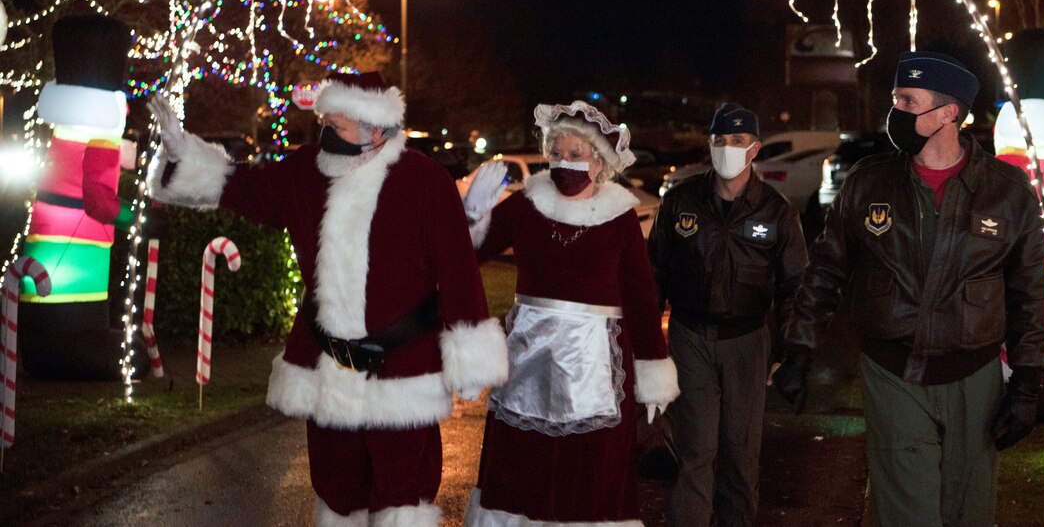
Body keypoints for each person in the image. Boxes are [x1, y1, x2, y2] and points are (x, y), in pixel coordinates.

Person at [148, 71, 508, 526]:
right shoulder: (306, 171)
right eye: (324, 123)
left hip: (403, 373)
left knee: (403, 498)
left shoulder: (423, 180)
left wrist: (470, 361)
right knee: (337, 494)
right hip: (328, 369)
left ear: (375, 129)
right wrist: (183, 153)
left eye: (336, 125)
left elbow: (457, 270)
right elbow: (245, 187)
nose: (325, 134)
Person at [773, 51, 1044, 527]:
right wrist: (797, 350)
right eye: (895, 99)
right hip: (893, 372)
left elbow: (1028, 291)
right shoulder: (868, 183)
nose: (895, 111)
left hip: (974, 377)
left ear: (948, 114)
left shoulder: (1008, 191)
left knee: (970, 512)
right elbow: (825, 271)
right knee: (907, 513)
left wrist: (1027, 382)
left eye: (908, 101)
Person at [462, 100, 679, 526]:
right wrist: (472, 218)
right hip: (528, 360)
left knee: (590, 471)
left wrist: (653, 371)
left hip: (595, 366)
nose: (564, 162)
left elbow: (640, 297)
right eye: (557, 153)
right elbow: (467, 257)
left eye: (576, 154)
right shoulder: (526, 204)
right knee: (524, 464)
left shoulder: (619, 216)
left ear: (599, 162)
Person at [648, 103, 807, 527]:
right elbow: (654, 273)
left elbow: (795, 286)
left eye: (737, 141)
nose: (727, 148)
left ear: (755, 149)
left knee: (740, 454)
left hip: (747, 342)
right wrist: (647, 346)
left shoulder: (776, 210)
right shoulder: (680, 202)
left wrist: (790, 352)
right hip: (689, 338)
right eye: (720, 140)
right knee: (694, 452)